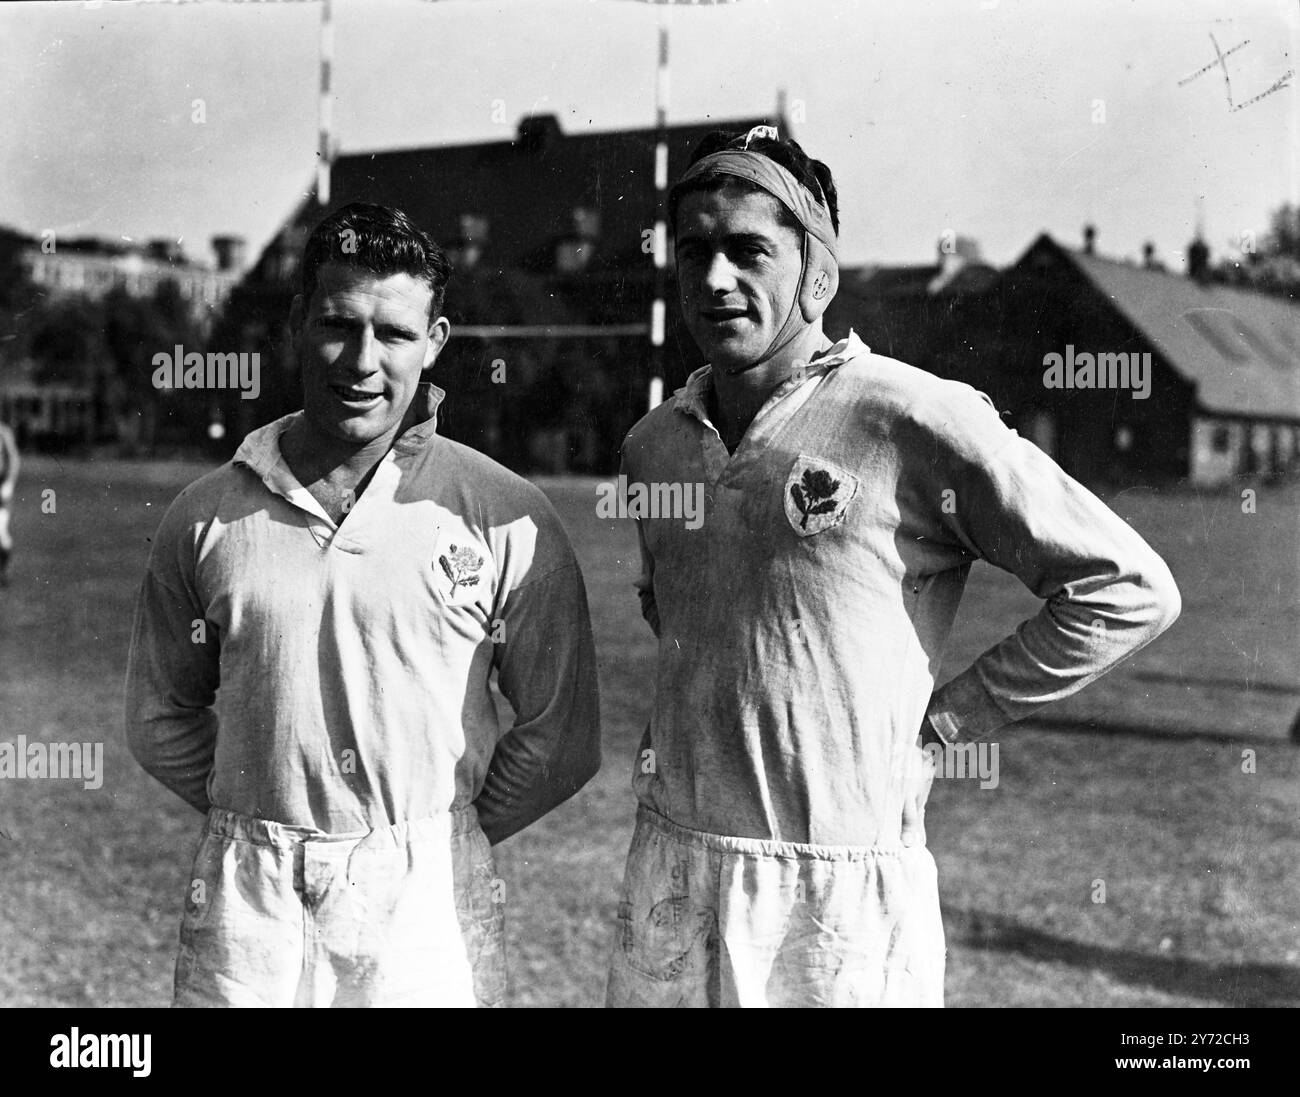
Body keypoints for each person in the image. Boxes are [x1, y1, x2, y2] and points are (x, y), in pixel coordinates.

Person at [606, 126, 1181, 1008]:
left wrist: (948, 726)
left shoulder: (909, 416)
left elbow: (1126, 587)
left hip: (836, 889)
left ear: (819, 272)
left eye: (749, 250)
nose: (716, 278)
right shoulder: (654, 445)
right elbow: (685, 620)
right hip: (673, 866)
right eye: (695, 252)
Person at [125, 202, 601, 1008]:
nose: (361, 361)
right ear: (296, 325)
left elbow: (563, 736)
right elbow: (159, 716)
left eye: (395, 335)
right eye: (339, 324)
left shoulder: (502, 513)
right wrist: (264, 808)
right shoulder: (205, 516)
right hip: (252, 900)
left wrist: (441, 834)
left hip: (422, 905)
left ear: (436, 343)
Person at [0, 419, 17, 587]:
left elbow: (14, 460)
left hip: (0, 488)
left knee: (1, 532)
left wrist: (9, 483)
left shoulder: (3, 432)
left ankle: (4, 570)